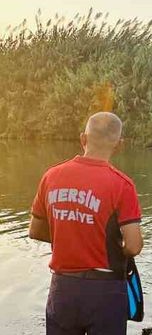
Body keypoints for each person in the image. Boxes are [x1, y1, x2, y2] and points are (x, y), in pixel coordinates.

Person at [28, 112, 144, 335]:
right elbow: (133, 246)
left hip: (62, 288)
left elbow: (35, 230)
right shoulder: (122, 185)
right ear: (119, 145)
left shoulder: (51, 176)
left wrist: (70, 237)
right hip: (106, 291)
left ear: (83, 139)